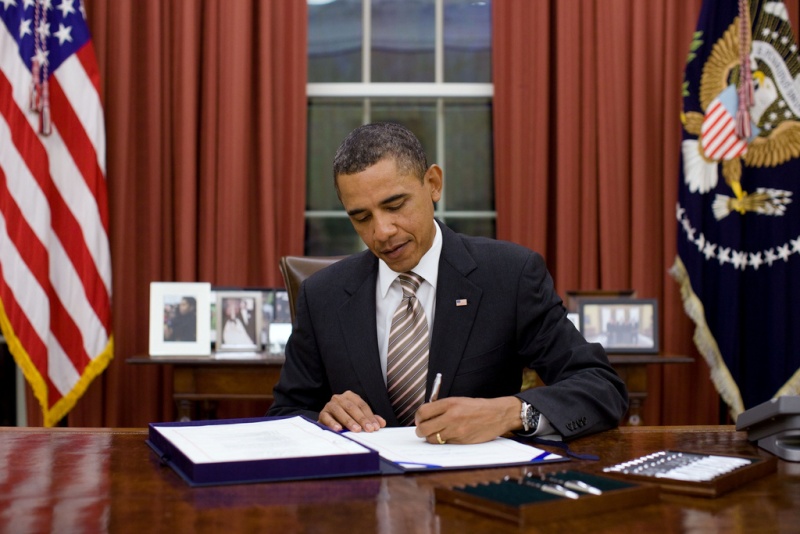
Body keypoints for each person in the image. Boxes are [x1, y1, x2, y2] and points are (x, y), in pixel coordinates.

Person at [268, 122, 628, 444]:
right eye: (361, 218)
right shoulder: (322, 295)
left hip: (475, 498)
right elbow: (286, 414)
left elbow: (602, 388)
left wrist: (510, 414)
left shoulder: (510, 275)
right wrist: (324, 418)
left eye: (395, 205)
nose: (381, 232)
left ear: (433, 184)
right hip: (366, 502)